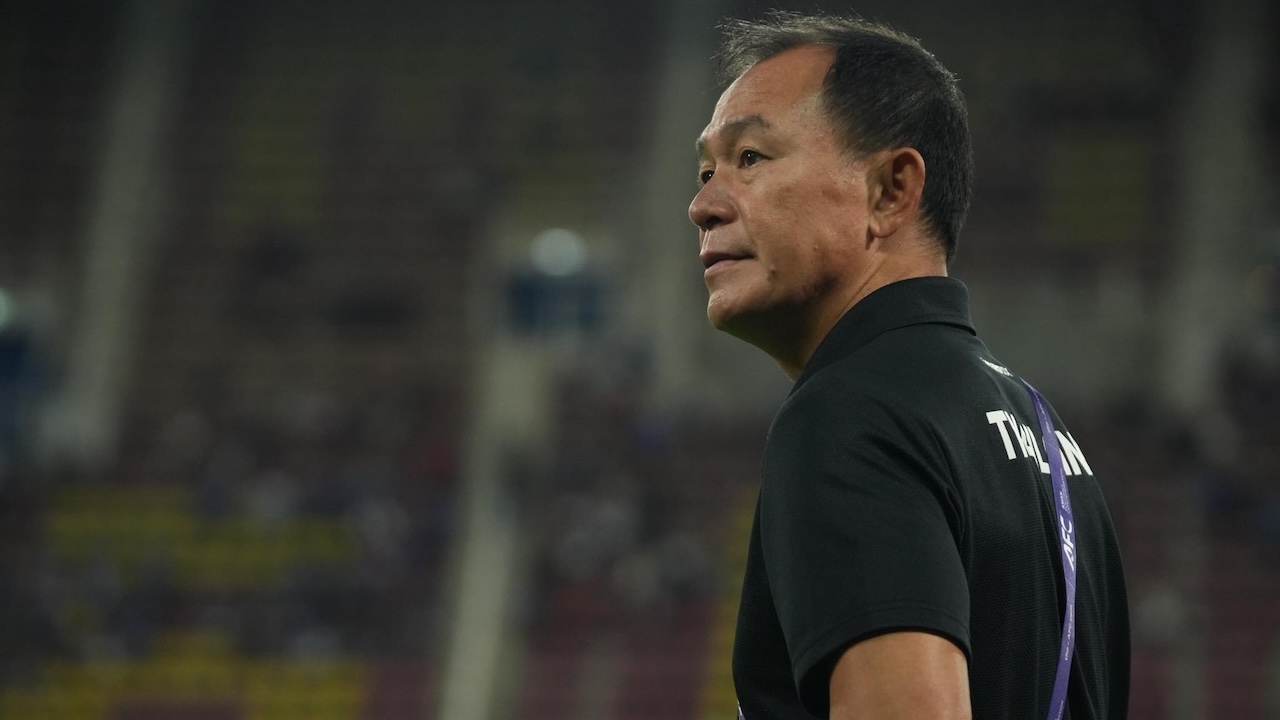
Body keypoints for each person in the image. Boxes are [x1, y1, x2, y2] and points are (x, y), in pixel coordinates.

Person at [688, 12, 1129, 720]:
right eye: (707, 170)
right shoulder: (1050, 441)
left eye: (750, 158)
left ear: (891, 190)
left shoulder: (850, 416)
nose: (703, 205)